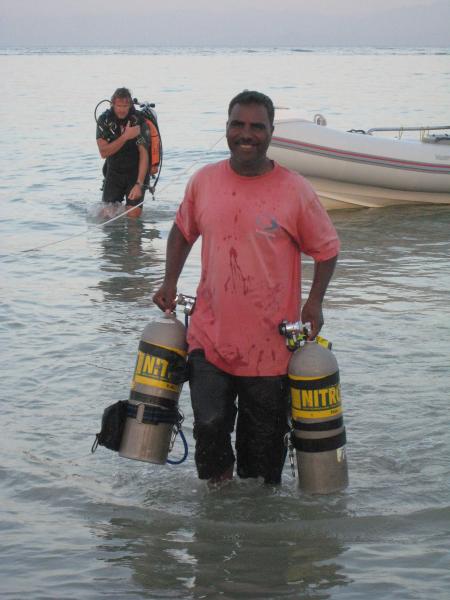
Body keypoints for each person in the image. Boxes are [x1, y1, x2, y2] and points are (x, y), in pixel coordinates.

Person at [153, 90, 340, 485]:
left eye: (257, 126)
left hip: (270, 351)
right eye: (238, 124)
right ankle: (215, 531)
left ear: (271, 133)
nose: (246, 134)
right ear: (226, 128)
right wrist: (169, 280)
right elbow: (182, 232)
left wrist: (315, 303)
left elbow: (327, 249)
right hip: (209, 339)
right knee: (209, 432)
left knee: (261, 466)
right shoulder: (204, 181)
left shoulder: (294, 190)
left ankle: (259, 537)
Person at [96, 87, 150, 215]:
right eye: (118, 106)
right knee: (106, 216)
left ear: (130, 105)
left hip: (135, 172)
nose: (122, 109)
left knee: (133, 215)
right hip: (114, 172)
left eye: (125, 106)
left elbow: (144, 155)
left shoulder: (137, 120)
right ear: (112, 104)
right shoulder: (104, 120)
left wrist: (139, 184)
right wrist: (126, 136)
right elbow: (103, 153)